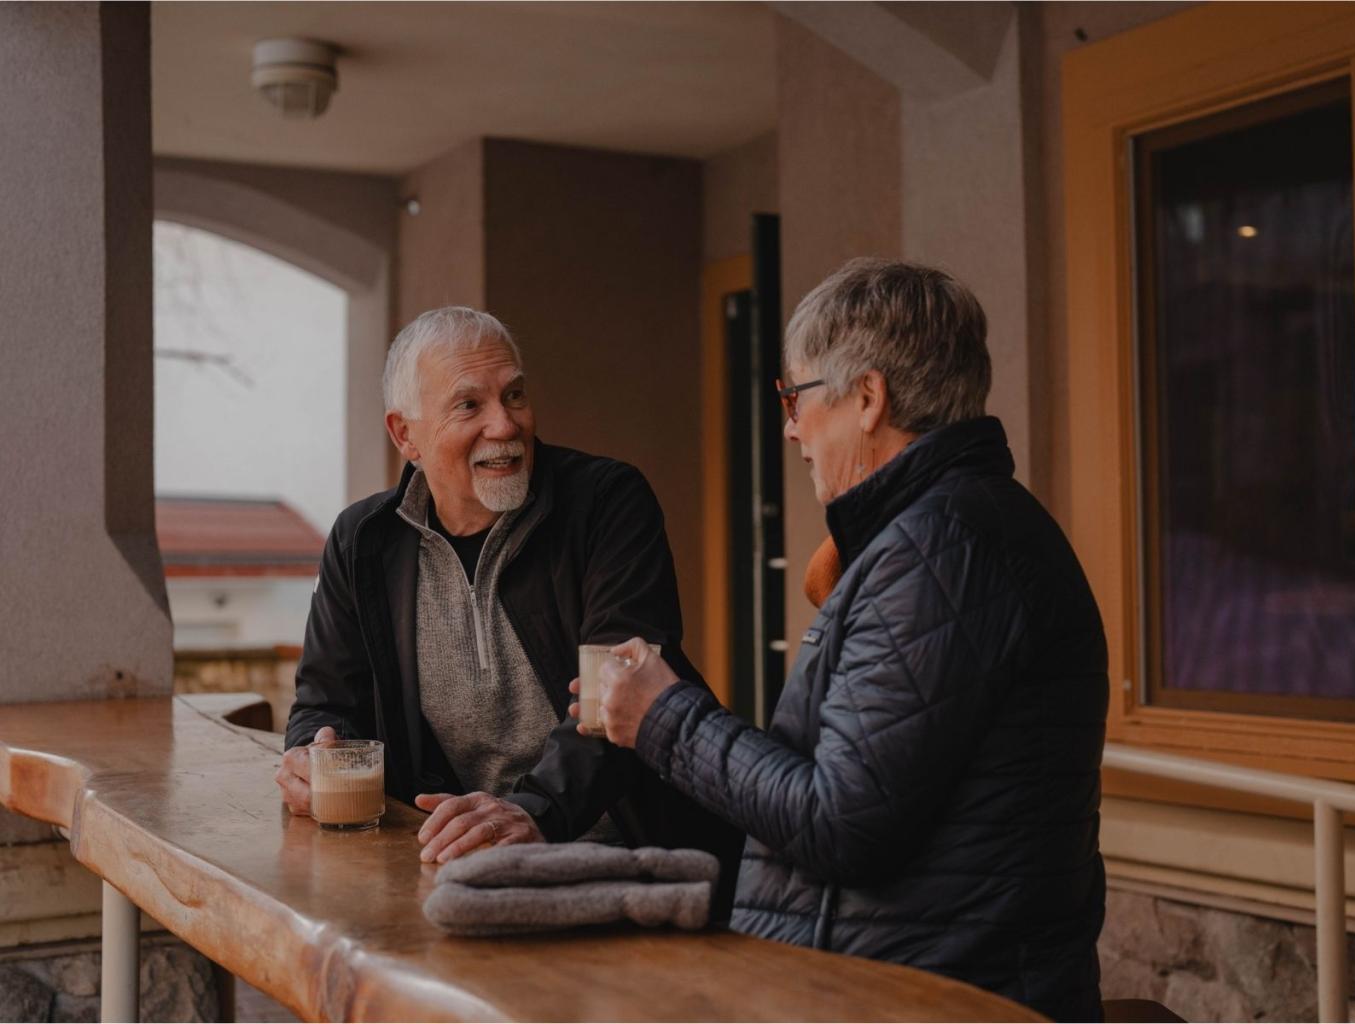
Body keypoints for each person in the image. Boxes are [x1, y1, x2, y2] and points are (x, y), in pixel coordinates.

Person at [589, 259, 1108, 1019]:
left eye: (794, 397)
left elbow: (843, 824)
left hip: (930, 1000)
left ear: (868, 398)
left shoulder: (941, 552)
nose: (791, 427)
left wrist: (665, 718)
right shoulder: (948, 535)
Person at [276, 306, 739, 897]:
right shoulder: (362, 540)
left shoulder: (608, 503)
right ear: (404, 434)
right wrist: (310, 758)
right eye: (469, 405)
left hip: (630, 856)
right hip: (455, 862)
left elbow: (619, 693)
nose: (505, 425)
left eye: (514, 395)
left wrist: (536, 811)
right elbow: (325, 704)